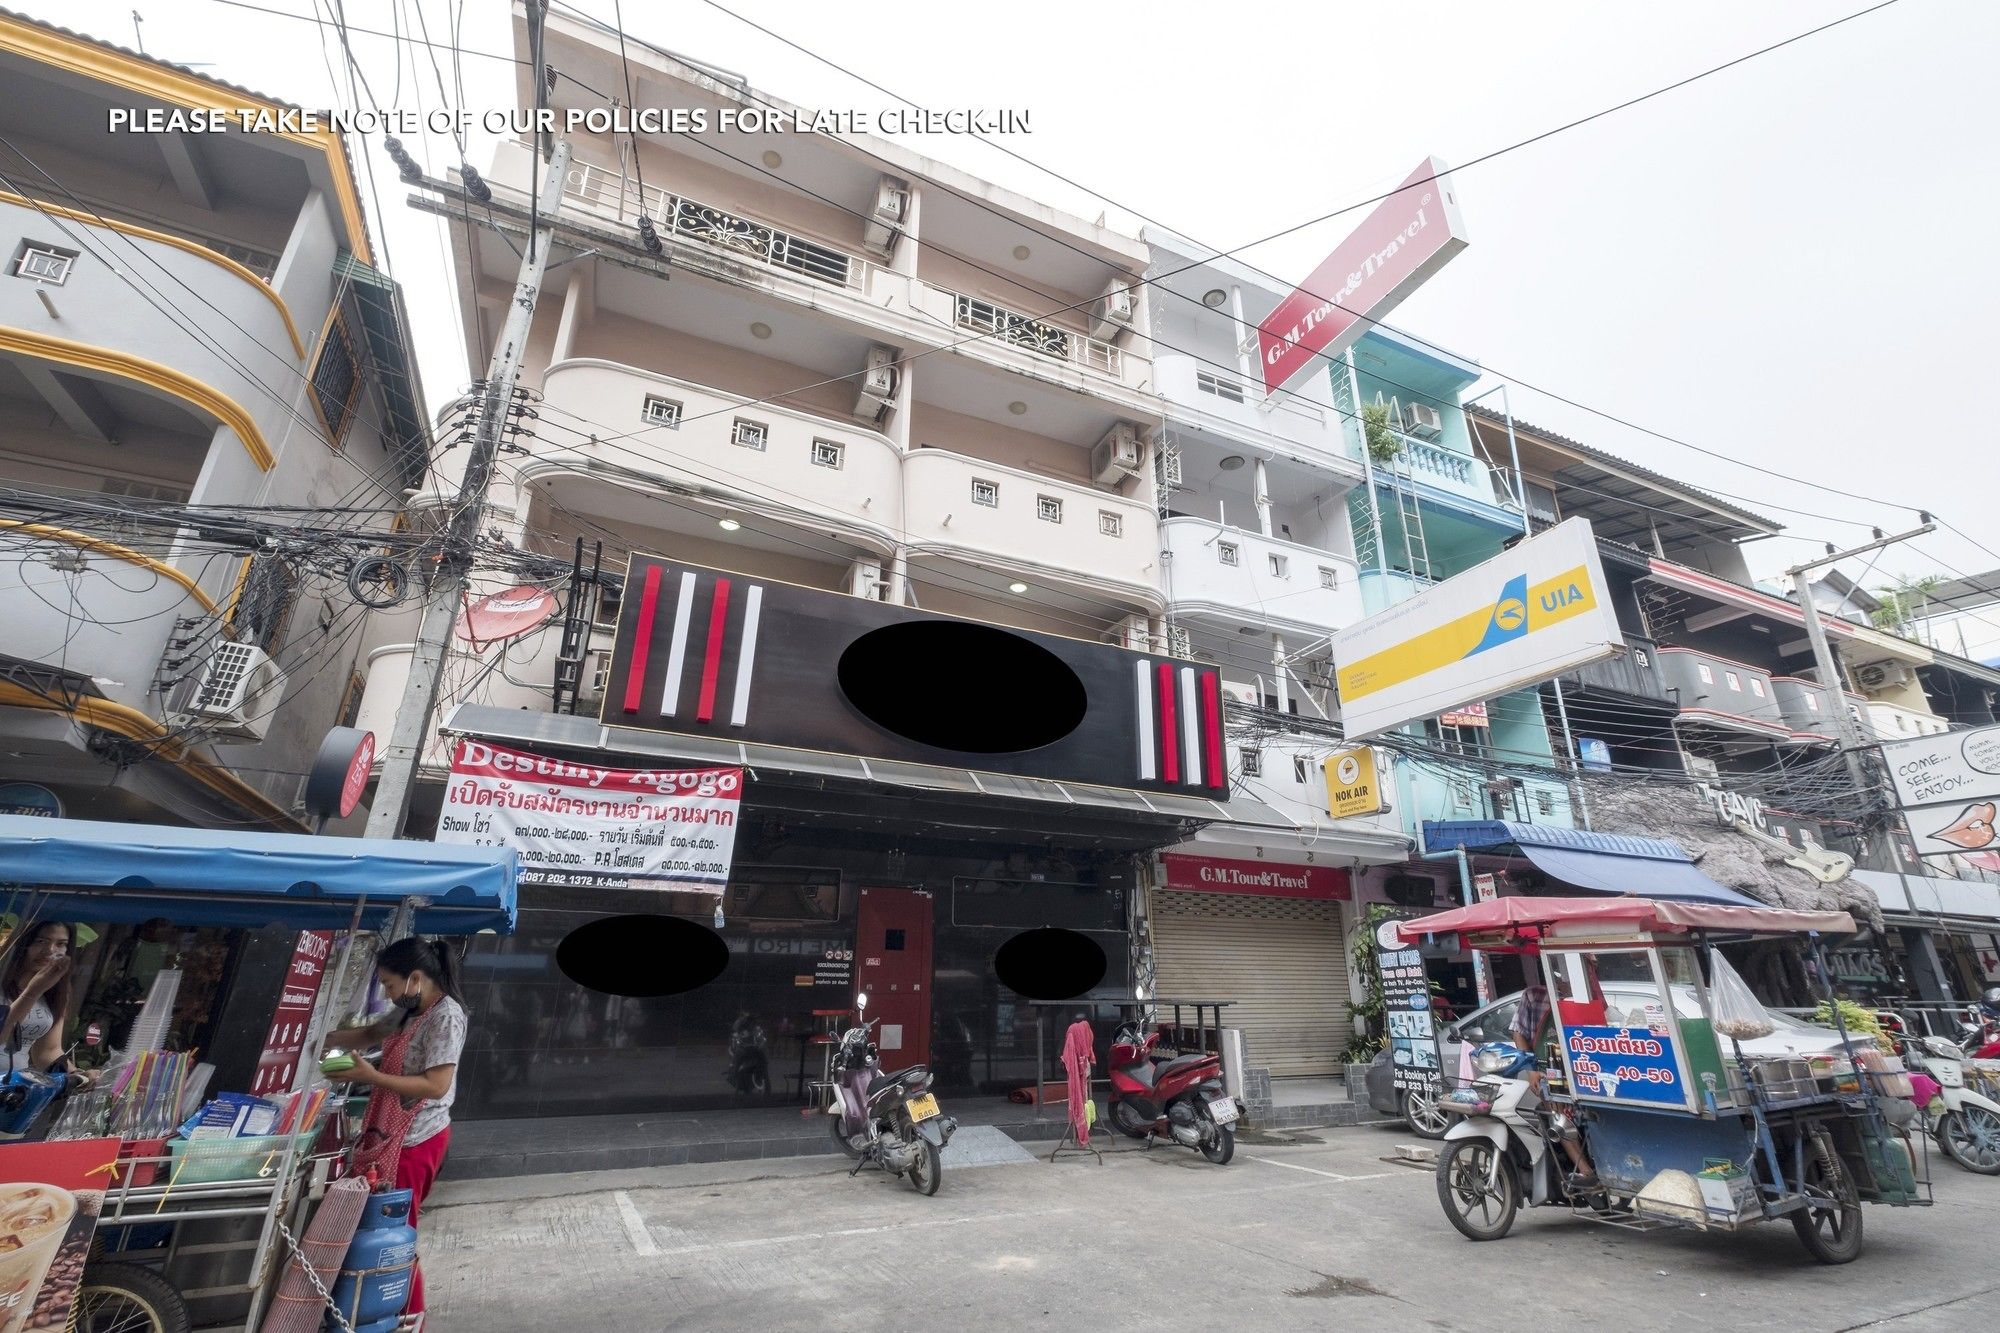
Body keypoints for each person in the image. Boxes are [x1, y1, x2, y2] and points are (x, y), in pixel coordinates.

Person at [323, 938, 468, 1328]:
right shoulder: (409, 1010)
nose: (387, 993)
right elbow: (372, 1034)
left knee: (397, 1236)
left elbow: (436, 1085)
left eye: (389, 984)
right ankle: (377, 1312)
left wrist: (371, 1076)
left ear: (415, 978)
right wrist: (328, 1041)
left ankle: (410, 1318)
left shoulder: (446, 1016)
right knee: (381, 1231)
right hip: (389, 1133)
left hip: (418, 1139)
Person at [2, 921, 92, 1090]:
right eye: (40, 941)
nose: (50, 951)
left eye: (61, 944)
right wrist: (32, 992)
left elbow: (48, 1051)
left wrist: (77, 1075)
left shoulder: (56, 990)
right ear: (22, 942)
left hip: (14, 1089)